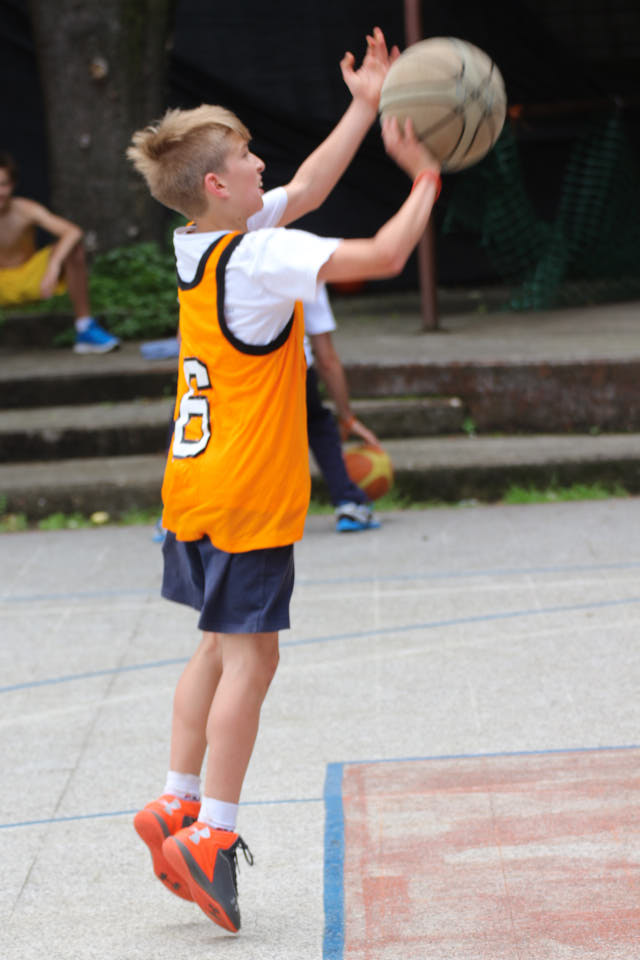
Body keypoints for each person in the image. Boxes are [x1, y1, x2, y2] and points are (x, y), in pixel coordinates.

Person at [127, 25, 441, 933]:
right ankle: (213, 835)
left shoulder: (200, 245)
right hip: (245, 493)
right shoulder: (260, 259)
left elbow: (302, 190)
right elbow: (383, 255)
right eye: (247, 157)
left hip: (191, 486)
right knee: (254, 659)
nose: (263, 164)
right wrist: (426, 179)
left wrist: (363, 108)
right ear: (218, 185)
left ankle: (176, 800)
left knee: (213, 647)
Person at [0, 152, 120, 353]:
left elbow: (72, 231)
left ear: (12, 185)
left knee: (73, 249)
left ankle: (85, 328)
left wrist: (54, 266)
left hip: (30, 278)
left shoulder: (25, 209)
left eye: (3, 184)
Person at [304, 285, 382, 531]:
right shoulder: (305, 270)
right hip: (289, 369)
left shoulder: (220, 265)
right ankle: (348, 502)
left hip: (230, 371)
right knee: (318, 423)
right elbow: (326, 359)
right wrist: (346, 416)